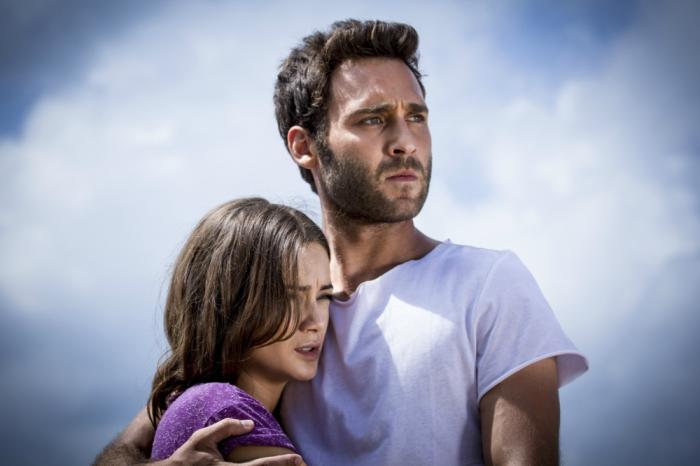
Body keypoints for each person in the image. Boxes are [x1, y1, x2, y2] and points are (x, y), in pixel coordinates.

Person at [96, 19, 588, 466]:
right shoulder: (273, 310)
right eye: (372, 119)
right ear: (304, 146)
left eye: (417, 117)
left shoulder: (489, 285)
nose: (405, 141)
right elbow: (124, 451)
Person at [95, 198, 331, 466]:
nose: (315, 321)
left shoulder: (194, 401)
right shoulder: (228, 412)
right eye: (289, 297)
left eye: (324, 296)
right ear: (231, 303)